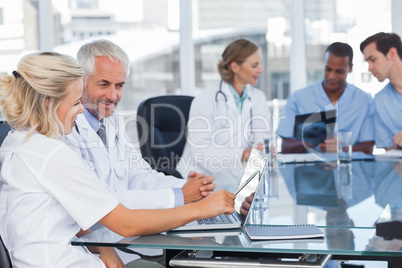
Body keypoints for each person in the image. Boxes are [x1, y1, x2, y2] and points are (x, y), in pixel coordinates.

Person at [0, 51, 235, 267]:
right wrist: (201, 210)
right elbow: (126, 222)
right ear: (48, 103)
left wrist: (100, 247)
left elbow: (65, 220)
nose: (80, 111)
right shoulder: (51, 154)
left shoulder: (18, 141)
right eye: (74, 103)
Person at [176, 38, 272, 182]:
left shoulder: (258, 98)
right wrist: (242, 154)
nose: (261, 70)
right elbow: (201, 152)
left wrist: (263, 150)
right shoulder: (205, 100)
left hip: (238, 179)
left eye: (260, 64)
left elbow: (263, 140)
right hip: (199, 179)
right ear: (235, 67)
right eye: (254, 65)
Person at [276, 42, 374, 154]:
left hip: (349, 169)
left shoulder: (365, 101)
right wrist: (312, 140)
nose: (332, 76)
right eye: (328, 69)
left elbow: (368, 148)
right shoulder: (298, 98)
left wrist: (340, 148)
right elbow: (285, 147)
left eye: (339, 72)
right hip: (309, 169)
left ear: (350, 68)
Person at [360, 32, 402, 150]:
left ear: (392, 54)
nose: (369, 68)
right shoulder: (380, 101)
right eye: (367, 62)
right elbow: (391, 152)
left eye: (372, 59)